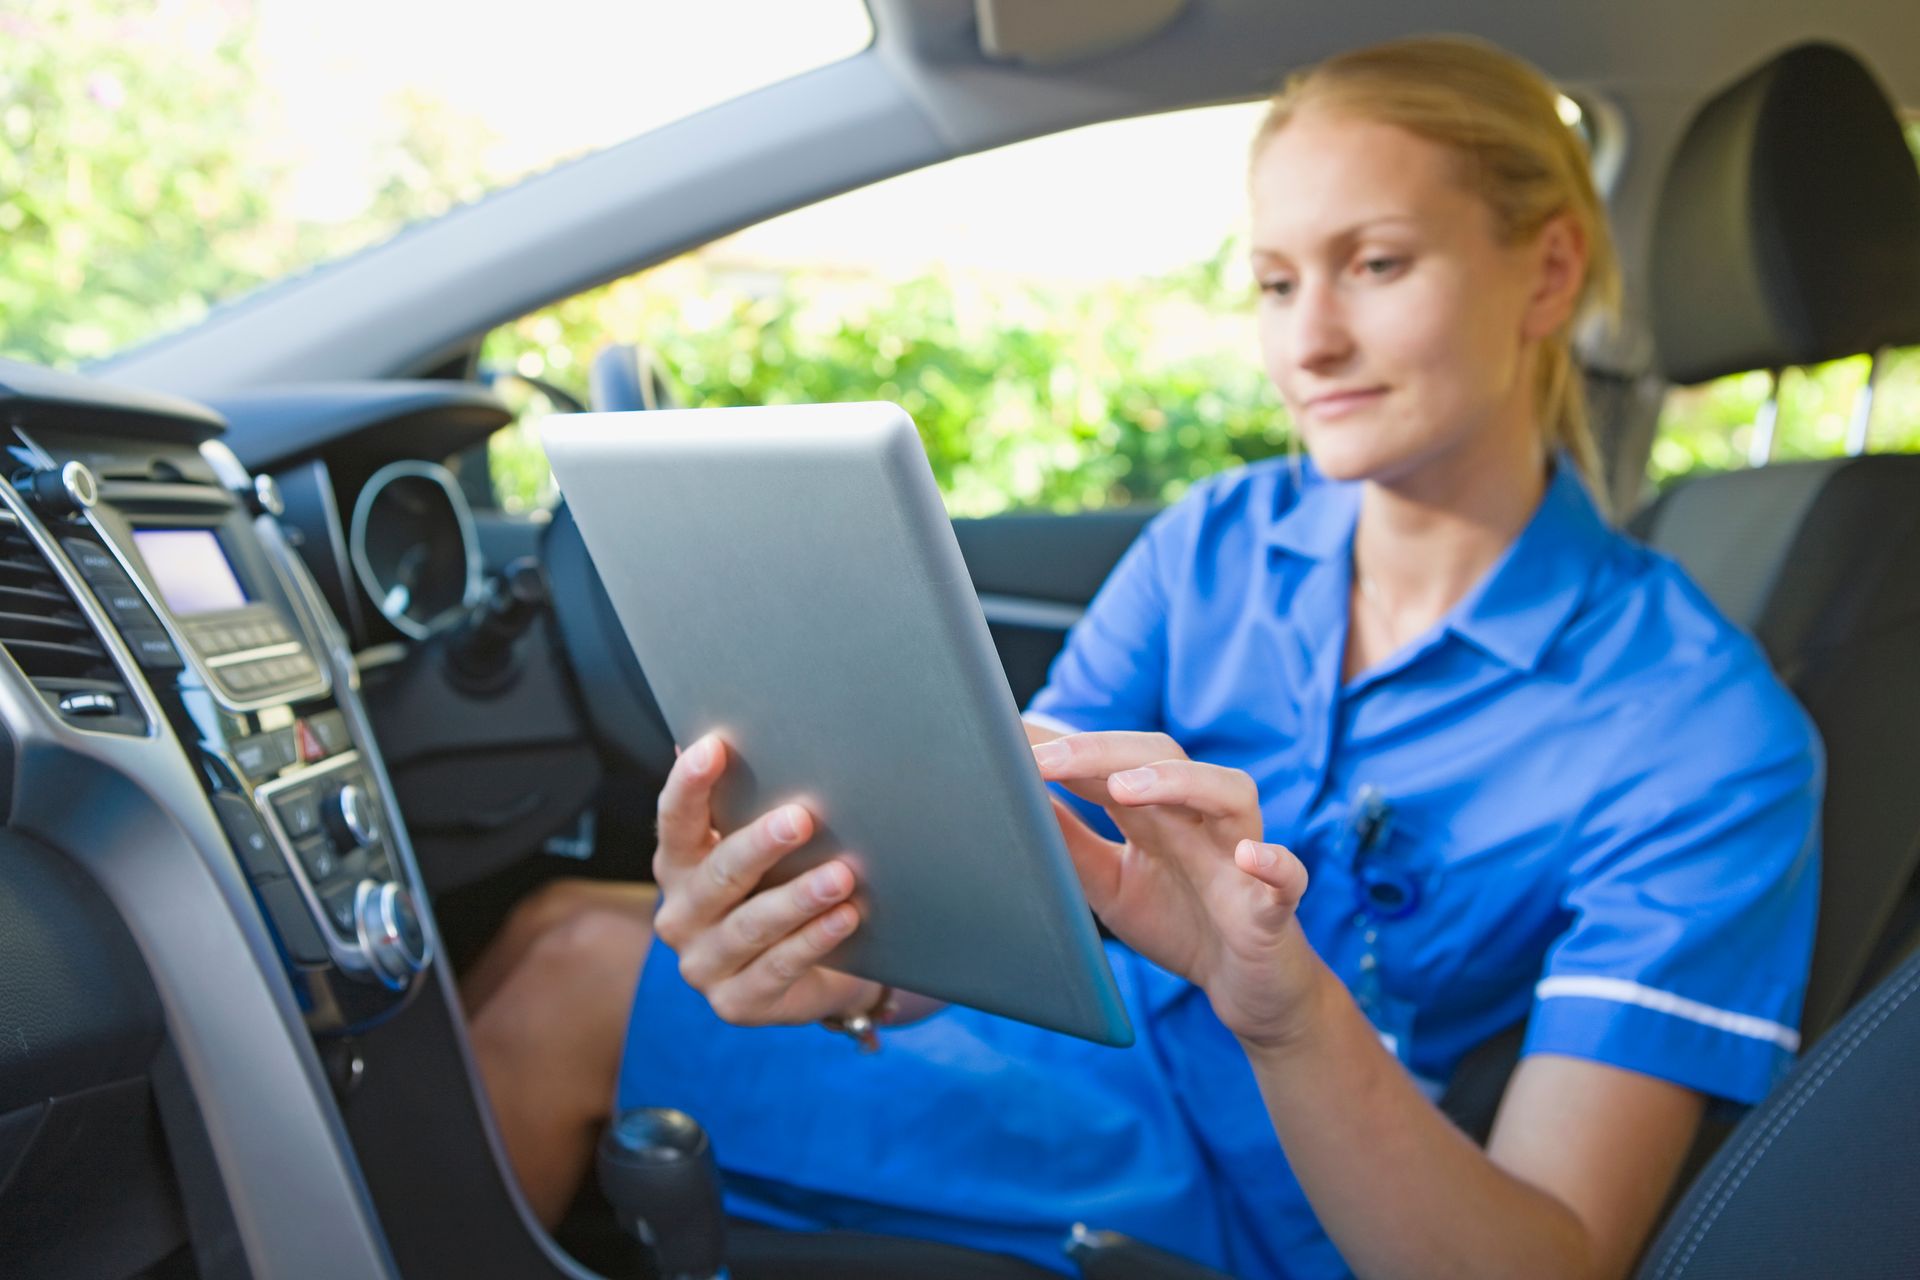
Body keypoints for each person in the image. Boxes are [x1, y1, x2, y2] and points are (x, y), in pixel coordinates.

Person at [468, 35, 1821, 1278]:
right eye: (1278, 282)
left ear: (1548, 271)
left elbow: (1550, 1258)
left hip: (1290, 1204)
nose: (1311, 340)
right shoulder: (1221, 539)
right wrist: (861, 963)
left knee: (569, 985)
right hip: (1096, 1055)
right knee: (558, 928)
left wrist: (1285, 1011)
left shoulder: (1706, 739)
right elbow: (1024, 850)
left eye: (1380, 263)